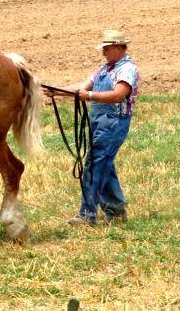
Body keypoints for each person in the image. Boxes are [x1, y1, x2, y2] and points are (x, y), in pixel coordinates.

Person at [47, 30, 140, 226]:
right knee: (105, 164)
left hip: (114, 122)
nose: (103, 52)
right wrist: (57, 91)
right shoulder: (104, 69)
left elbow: (118, 95)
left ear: (118, 48)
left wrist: (88, 97)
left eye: (106, 48)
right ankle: (116, 211)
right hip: (100, 122)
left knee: (95, 166)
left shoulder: (127, 69)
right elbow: (83, 87)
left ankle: (87, 214)